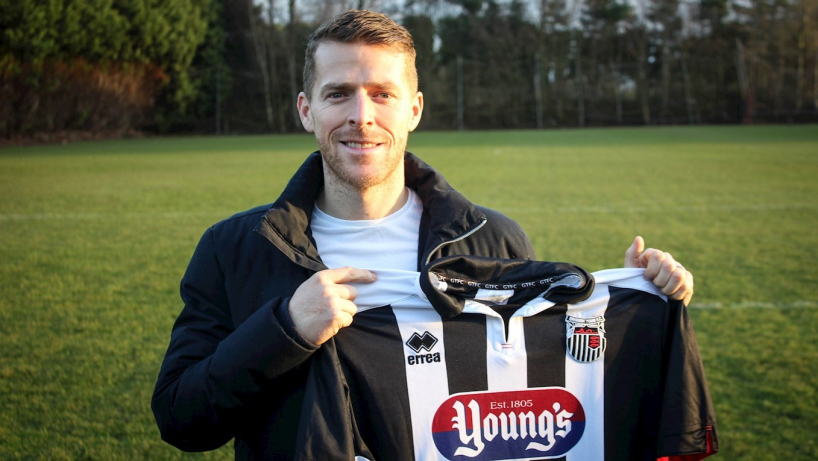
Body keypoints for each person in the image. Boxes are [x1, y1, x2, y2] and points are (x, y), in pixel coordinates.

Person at [151, 10, 694, 459]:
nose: (361, 116)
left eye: (382, 94)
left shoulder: (494, 239)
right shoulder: (235, 249)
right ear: (306, 109)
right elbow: (182, 419)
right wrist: (285, 330)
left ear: (413, 109)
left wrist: (634, 299)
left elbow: (532, 394)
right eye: (338, 94)